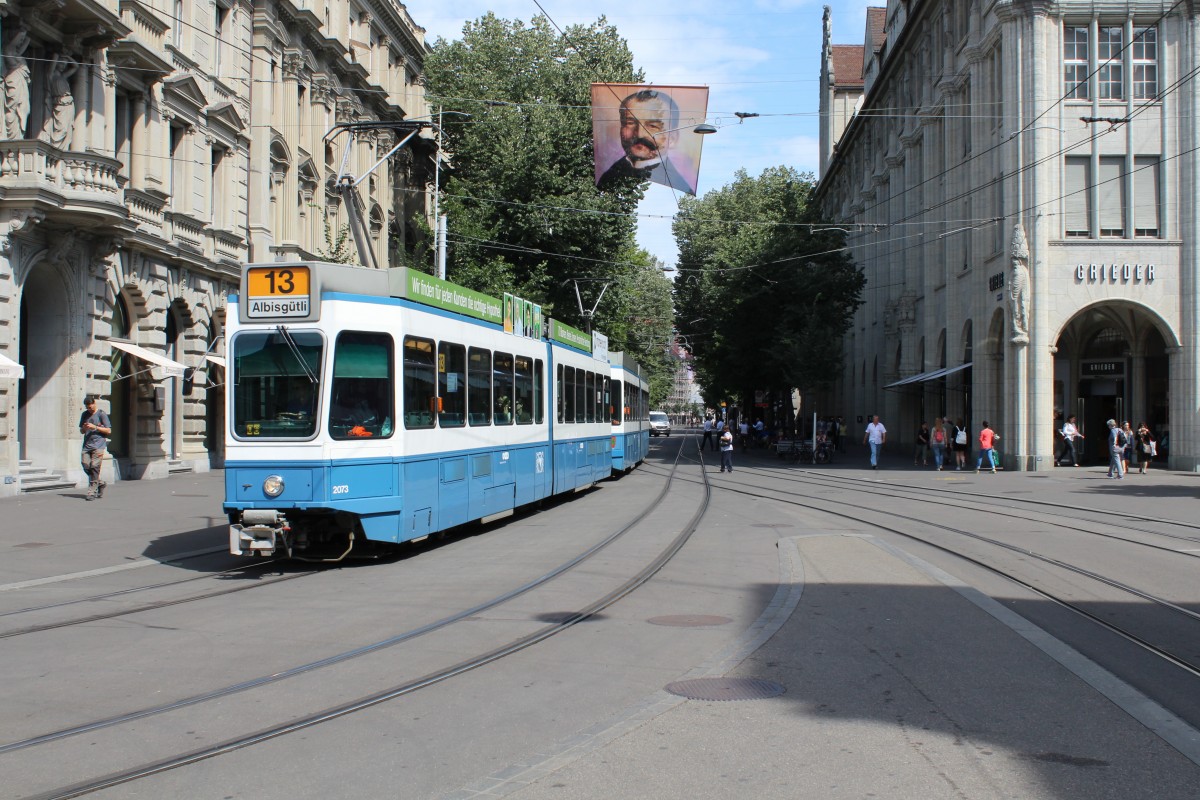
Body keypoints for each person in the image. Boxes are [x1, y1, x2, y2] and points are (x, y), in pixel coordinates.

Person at [597, 89, 696, 194]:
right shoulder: (607, 177)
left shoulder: (678, 187)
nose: (640, 134)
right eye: (630, 123)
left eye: (653, 126)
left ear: (672, 138)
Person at [41, 53, 79, 149]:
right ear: (57, 63)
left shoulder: (63, 76)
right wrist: (57, 55)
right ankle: (56, 149)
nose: (63, 66)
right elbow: (52, 65)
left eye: (65, 65)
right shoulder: (51, 75)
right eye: (61, 63)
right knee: (62, 129)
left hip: (68, 105)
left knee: (67, 131)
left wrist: (68, 57)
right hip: (60, 106)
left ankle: (61, 149)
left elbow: (76, 66)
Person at [79, 395, 111, 500]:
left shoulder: (101, 414)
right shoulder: (84, 415)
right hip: (87, 445)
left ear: (94, 403)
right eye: (87, 407)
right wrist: (84, 428)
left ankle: (91, 492)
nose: (89, 409)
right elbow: (81, 431)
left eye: (90, 407)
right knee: (85, 465)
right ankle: (100, 483)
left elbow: (109, 430)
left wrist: (95, 427)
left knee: (95, 467)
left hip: (98, 445)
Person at [3, 27, 31, 140]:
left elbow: (27, 41)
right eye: (20, 39)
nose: (21, 42)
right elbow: (9, 48)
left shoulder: (17, 53)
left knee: (25, 109)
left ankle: (18, 136)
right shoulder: (8, 50)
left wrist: (25, 33)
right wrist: (21, 32)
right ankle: (12, 137)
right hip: (14, 81)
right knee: (13, 108)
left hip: (21, 82)